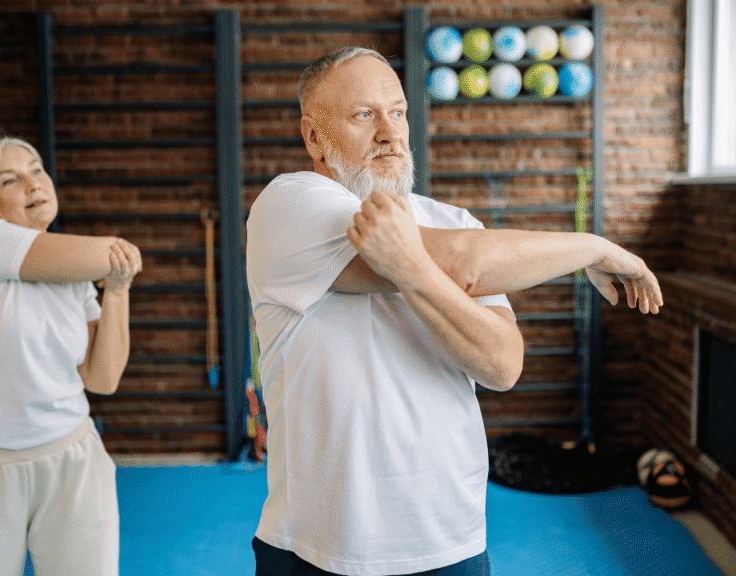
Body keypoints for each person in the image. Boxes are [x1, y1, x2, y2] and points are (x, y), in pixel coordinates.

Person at [245, 47, 663, 576]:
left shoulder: (454, 221)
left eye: (397, 112)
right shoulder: (290, 206)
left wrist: (413, 270)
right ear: (314, 138)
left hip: (448, 539)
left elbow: (502, 366)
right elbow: (466, 265)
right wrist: (594, 248)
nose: (389, 133)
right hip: (318, 545)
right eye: (363, 115)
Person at [0, 137, 142, 576]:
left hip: (72, 459)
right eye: (10, 179)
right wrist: (117, 258)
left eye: (37, 170)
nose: (32, 184)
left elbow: (102, 378)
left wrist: (117, 291)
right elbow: (114, 252)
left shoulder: (73, 273)